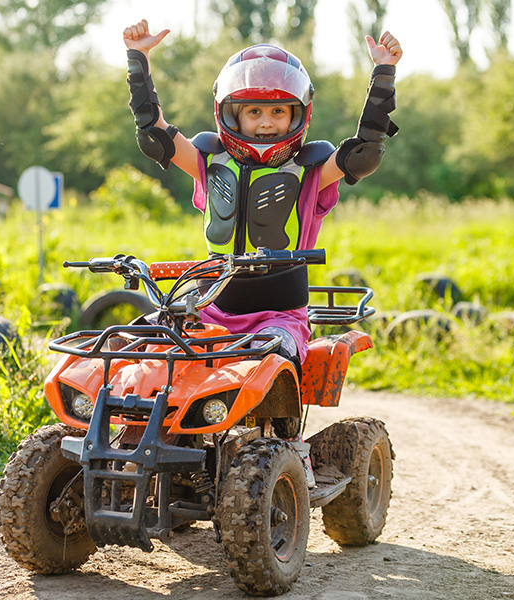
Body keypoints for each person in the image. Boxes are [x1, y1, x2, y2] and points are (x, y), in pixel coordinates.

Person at [123, 20, 402, 484]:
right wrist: (138, 60)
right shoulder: (209, 161)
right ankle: (138, 441)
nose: (265, 123)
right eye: (253, 112)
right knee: (136, 341)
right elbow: (154, 134)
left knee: (269, 358)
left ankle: (290, 452)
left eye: (277, 113)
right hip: (210, 307)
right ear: (229, 114)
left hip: (278, 315)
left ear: (298, 117)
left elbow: (364, 153)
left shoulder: (312, 170)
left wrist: (384, 75)